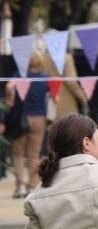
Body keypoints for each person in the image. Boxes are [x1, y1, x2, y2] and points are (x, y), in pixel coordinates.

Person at [10, 51, 50, 196]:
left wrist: (10, 99)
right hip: (39, 118)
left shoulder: (18, 75)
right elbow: (54, 97)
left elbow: (9, 90)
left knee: (18, 153)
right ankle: (32, 186)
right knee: (34, 154)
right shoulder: (46, 78)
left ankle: (20, 185)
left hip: (21, 117)